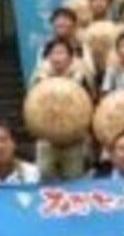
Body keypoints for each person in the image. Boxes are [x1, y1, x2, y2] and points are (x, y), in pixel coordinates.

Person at [31, 40, 92, 181]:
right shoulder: (39, 79)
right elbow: (32, 107)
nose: (57, 57)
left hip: (74, 140)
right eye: (53, 53)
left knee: (74, 179)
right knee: (45, 176)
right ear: (48, 58)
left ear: (71, 58)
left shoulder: (81, 78)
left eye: (61, 53)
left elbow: (89, 105)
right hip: (47, 139)